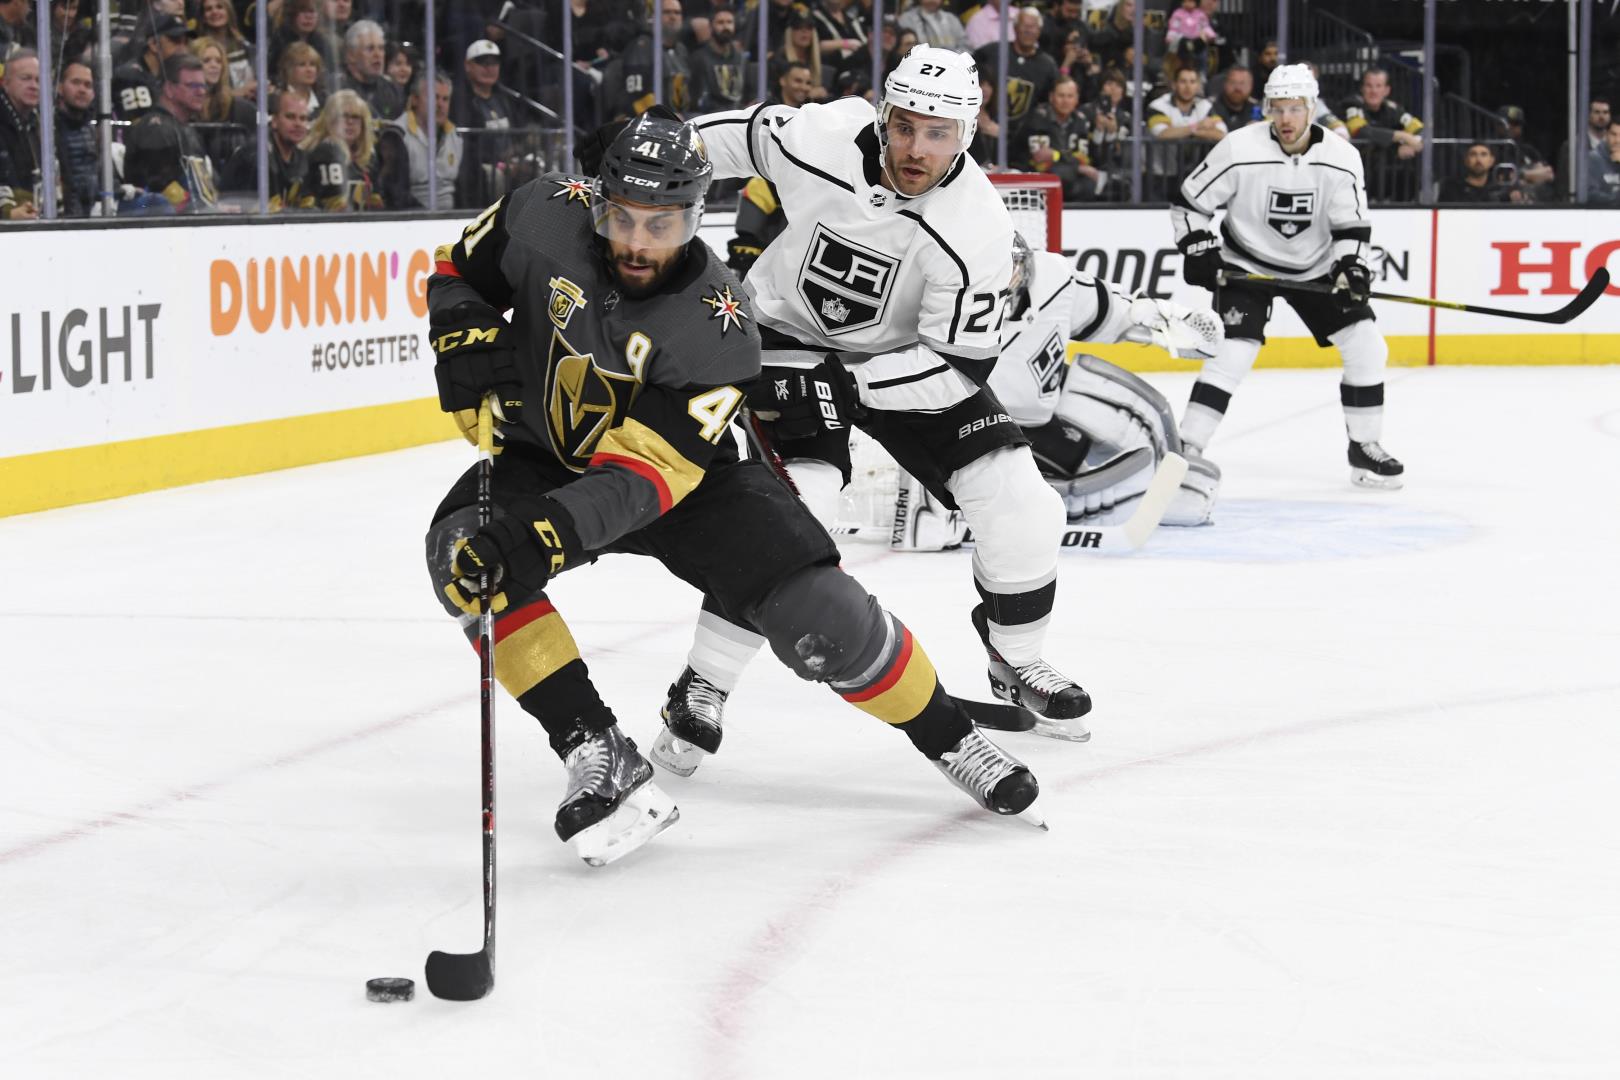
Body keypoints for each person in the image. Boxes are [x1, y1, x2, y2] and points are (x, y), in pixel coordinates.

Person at [422, 113, 1043, 864]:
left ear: (695, 215)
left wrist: (544, 532)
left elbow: (643, 478)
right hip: (545, 453)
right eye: (624, 218)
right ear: (597, 200)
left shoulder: (719, 324)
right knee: (464, 553)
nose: (639, 243)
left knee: (823, 615)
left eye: (663, 224)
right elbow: (458, 270)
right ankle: (596, 747)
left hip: (685, 480)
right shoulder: (541, 212)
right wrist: (463, 329)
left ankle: (950, 737)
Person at [646, 43, 1091, 769]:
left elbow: (956, 367)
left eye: (938, 133)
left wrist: (853, 384)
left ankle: (1017, 657)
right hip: (783, 340)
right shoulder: (826, 136)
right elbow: (736, 139)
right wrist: (659, 157)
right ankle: (701, 685)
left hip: (907, 365)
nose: (916, 149)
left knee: (1022, 502)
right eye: (905, 126)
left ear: (968, 132)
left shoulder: (977, 227)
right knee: (799, 513)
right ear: (883, 116)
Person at [1170, 63, 1402, 494]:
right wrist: (1198, 247)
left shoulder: (1341, 157)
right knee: (1233, 353)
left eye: (1295, 108)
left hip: (1314, 268)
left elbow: (1351, 227)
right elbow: (1188, 205)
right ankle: (1187, 448)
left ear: (1312, 108)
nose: (1286, 118)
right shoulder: (1239, 147)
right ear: (1267, 109)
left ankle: (1364, 447)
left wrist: (1351, 267)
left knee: (1367, 346)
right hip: (1246, 264)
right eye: (1278, 108)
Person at [990, 231, 1224, 528]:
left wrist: (1161, 319)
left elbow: (1109, 310)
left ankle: (1161, 482)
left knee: (1094, 390)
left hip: (1038, 417)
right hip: (980, 434)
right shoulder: (940, 303)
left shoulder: (1051, 279)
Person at [122, 53, 221, 213]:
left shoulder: (186, 129)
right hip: (158, 223)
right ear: (169, 89)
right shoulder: (156, 129)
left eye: (203, 86)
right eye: (192, 86)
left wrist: (217, 208)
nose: (201, 92)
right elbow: (160, 187)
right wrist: (204, 211)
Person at [378, 69, 461, 209]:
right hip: (415, 217)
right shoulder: (396, 136)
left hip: (454, 217)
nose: (440, 105)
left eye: (445, 99)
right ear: (415, 100)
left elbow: (466, 192)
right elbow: (396, 195)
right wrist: (430, 218)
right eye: (434, 97)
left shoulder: (456, 136)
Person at [223, 86, 315, 210]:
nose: (298, 124)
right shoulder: (255, 156)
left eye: (303, 118)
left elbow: (308, 209)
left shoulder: (302, 159)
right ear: (274, 121)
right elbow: (250, 212)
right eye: (290, 117)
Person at [1017, 75, 1106, 202]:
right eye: (1061, 95)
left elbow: (1086, 158)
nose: (1066, 101)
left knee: (1090, 184)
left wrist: (1057, 155)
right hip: (1039, 187)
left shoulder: (1081, 121)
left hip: (1074, 186)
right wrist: (1076, 166)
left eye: (1070, 96)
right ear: (1051, 97)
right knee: (1058, 174)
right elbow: (1041, 161)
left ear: (1077, 99)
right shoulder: (1037, 120)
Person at [1342, 67, 1422, 202]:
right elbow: (1360, 131)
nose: (1374, 91)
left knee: (1409, 176)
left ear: (1386, 90)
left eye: (1378, 86)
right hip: (1355, 171)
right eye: (1369, 86)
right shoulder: (1352, 104)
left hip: (1384, 171)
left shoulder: (1392, 108)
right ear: (1362, 88)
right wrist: (1402, 136)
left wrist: (1413, 146)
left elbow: (1420, 130)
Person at [973, 8, 1058, 134]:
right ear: (1015, 28)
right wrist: (979, 117)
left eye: (1033, 27)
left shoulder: (1048, 65)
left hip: (1025, 135)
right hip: (986, 131)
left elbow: (1051, 103)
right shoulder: (991, 53)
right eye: (1025, 26)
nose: (1028, 31)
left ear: (1039, 31)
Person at [302, 88, 381, 210]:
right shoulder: (326, 151)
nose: (350, 122)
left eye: (355, 117)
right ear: (330, 120)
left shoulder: (367, 157)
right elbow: (337, 207)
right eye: (343, 116)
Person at [112, 12, 191, 121]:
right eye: (175, 41)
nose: (183, 49)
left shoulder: (170, 77)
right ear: (154, 44)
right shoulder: (130, 77)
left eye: (185, 42)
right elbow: (142, 125)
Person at [0, 48, 40, 221]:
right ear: (5, 83)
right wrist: (7, 213)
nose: (34, 85)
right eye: (25, 78)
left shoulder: (41, 123)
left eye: (38, 80)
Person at [55, 59, 99, 216]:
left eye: (88, 85)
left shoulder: (93, 128)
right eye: (76, 82)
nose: (82, 90)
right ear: (60, 87)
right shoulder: (49, 127)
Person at [688, 2, 747, 113]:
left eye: (729, 22)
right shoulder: (699, 58)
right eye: (720, 22)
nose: (726, 27)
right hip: (710, 117)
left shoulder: (741, 58)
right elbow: (699, 100)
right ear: (711, 27)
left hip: (739, 116)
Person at [338, 19, 401, 121]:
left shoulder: (393, 91)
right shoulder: (336, 89)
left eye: (381, 48)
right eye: (370, 49)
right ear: (351, 55)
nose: (378, 55)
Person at [197, 0, 255, 101]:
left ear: (229, 12)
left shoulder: (245, 45)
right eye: (208, 9)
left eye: (219, 7)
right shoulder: (198, 48)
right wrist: (235, 93)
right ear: (203, 17)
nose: (214, 12)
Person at [1437, 141, 1511, 204]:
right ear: (1466, 160)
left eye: (1483, 154)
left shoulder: (1499, 190)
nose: (1478, 160)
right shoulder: (1452, 189)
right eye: (1473, 154)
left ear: (1491, 161)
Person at [897, 0, 967, 55]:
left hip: (952, 65)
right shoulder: (907, 19)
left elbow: (966, 47)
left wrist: (952, 58)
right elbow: (905, 49)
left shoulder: (952, 19)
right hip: (920, 65)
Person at [278, 40, 325, 114]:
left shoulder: (325, 101)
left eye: (312, 64)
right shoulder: (276, 100)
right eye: (302, 64)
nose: (309, 70)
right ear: (288, 69)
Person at [1208, 65, 1258, 132]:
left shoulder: (1258, 109)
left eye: (1242, 83)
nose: (1238, 88)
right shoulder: (1209, 106)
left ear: (1251, 86)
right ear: (1225, 84)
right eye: (1233, 82)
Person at [1585, 119, 1620, 207]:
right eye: (1614, 134)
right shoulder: (1592, 159)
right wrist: (1616, 198)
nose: (1617, 140)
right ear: (1606, 135)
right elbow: (1591, 195)